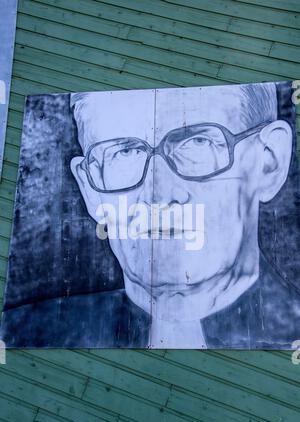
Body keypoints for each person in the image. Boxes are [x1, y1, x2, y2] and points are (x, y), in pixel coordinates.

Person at [69, 82, 300, 348]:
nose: (157, 195)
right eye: (124, 153)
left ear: (269, 162)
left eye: (196, 142)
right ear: (89, 188)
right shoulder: (37, 329)